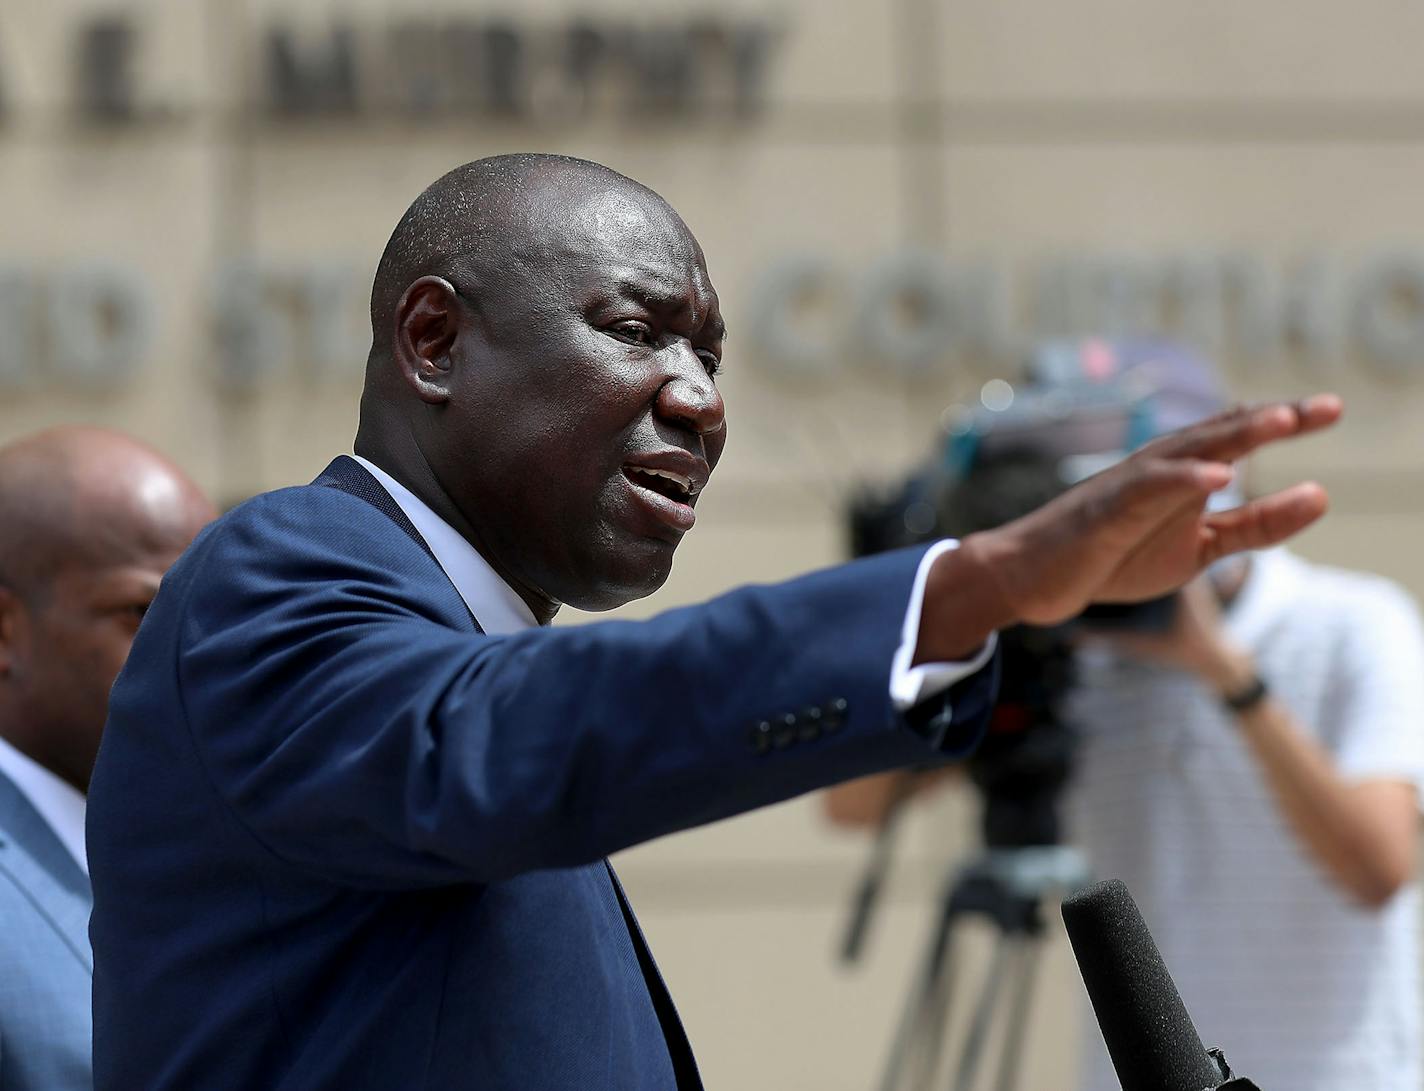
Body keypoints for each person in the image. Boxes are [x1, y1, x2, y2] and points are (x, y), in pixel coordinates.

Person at [87, 153, 1341, 1091]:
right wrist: (972, 586)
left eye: (713, 354)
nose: (697, 401)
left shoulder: (473, 660)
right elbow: (504, 742)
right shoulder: (278, 576)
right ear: (432, 341)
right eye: (637, 332)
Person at [826, 345, 1421, 1091]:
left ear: (1235, 474)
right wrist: (982, 630)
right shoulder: (1065, 649)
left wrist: (1221, 668)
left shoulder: (1353, 623)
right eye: (1113, 498)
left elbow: (1379, 865)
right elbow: (852, 805)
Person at [0, 426, 214, 1091]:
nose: (203, 654)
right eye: (143, 611)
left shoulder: (214, 849)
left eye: (215, 611)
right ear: (5, 630)